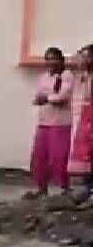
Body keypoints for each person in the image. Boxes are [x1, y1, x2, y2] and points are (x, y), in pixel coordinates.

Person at [28, 46, 75, 197]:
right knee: (39, 157)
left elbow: (62, 97)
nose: (51, 62)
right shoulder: (43, 77)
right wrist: (46, 98)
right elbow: (38, 96)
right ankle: (41, 188)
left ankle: (64, 188)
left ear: (61, 60)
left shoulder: (68, 76)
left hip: (60, 123)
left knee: (59, 157)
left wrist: (47, 98)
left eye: (54, 59)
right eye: (48, 59)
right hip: (44, 122)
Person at [67, 44, 93, 200]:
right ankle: (88, 187)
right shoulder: (84, 77)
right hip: (86, 118)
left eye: (85, 57)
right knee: (86, 153)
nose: (81, 60)